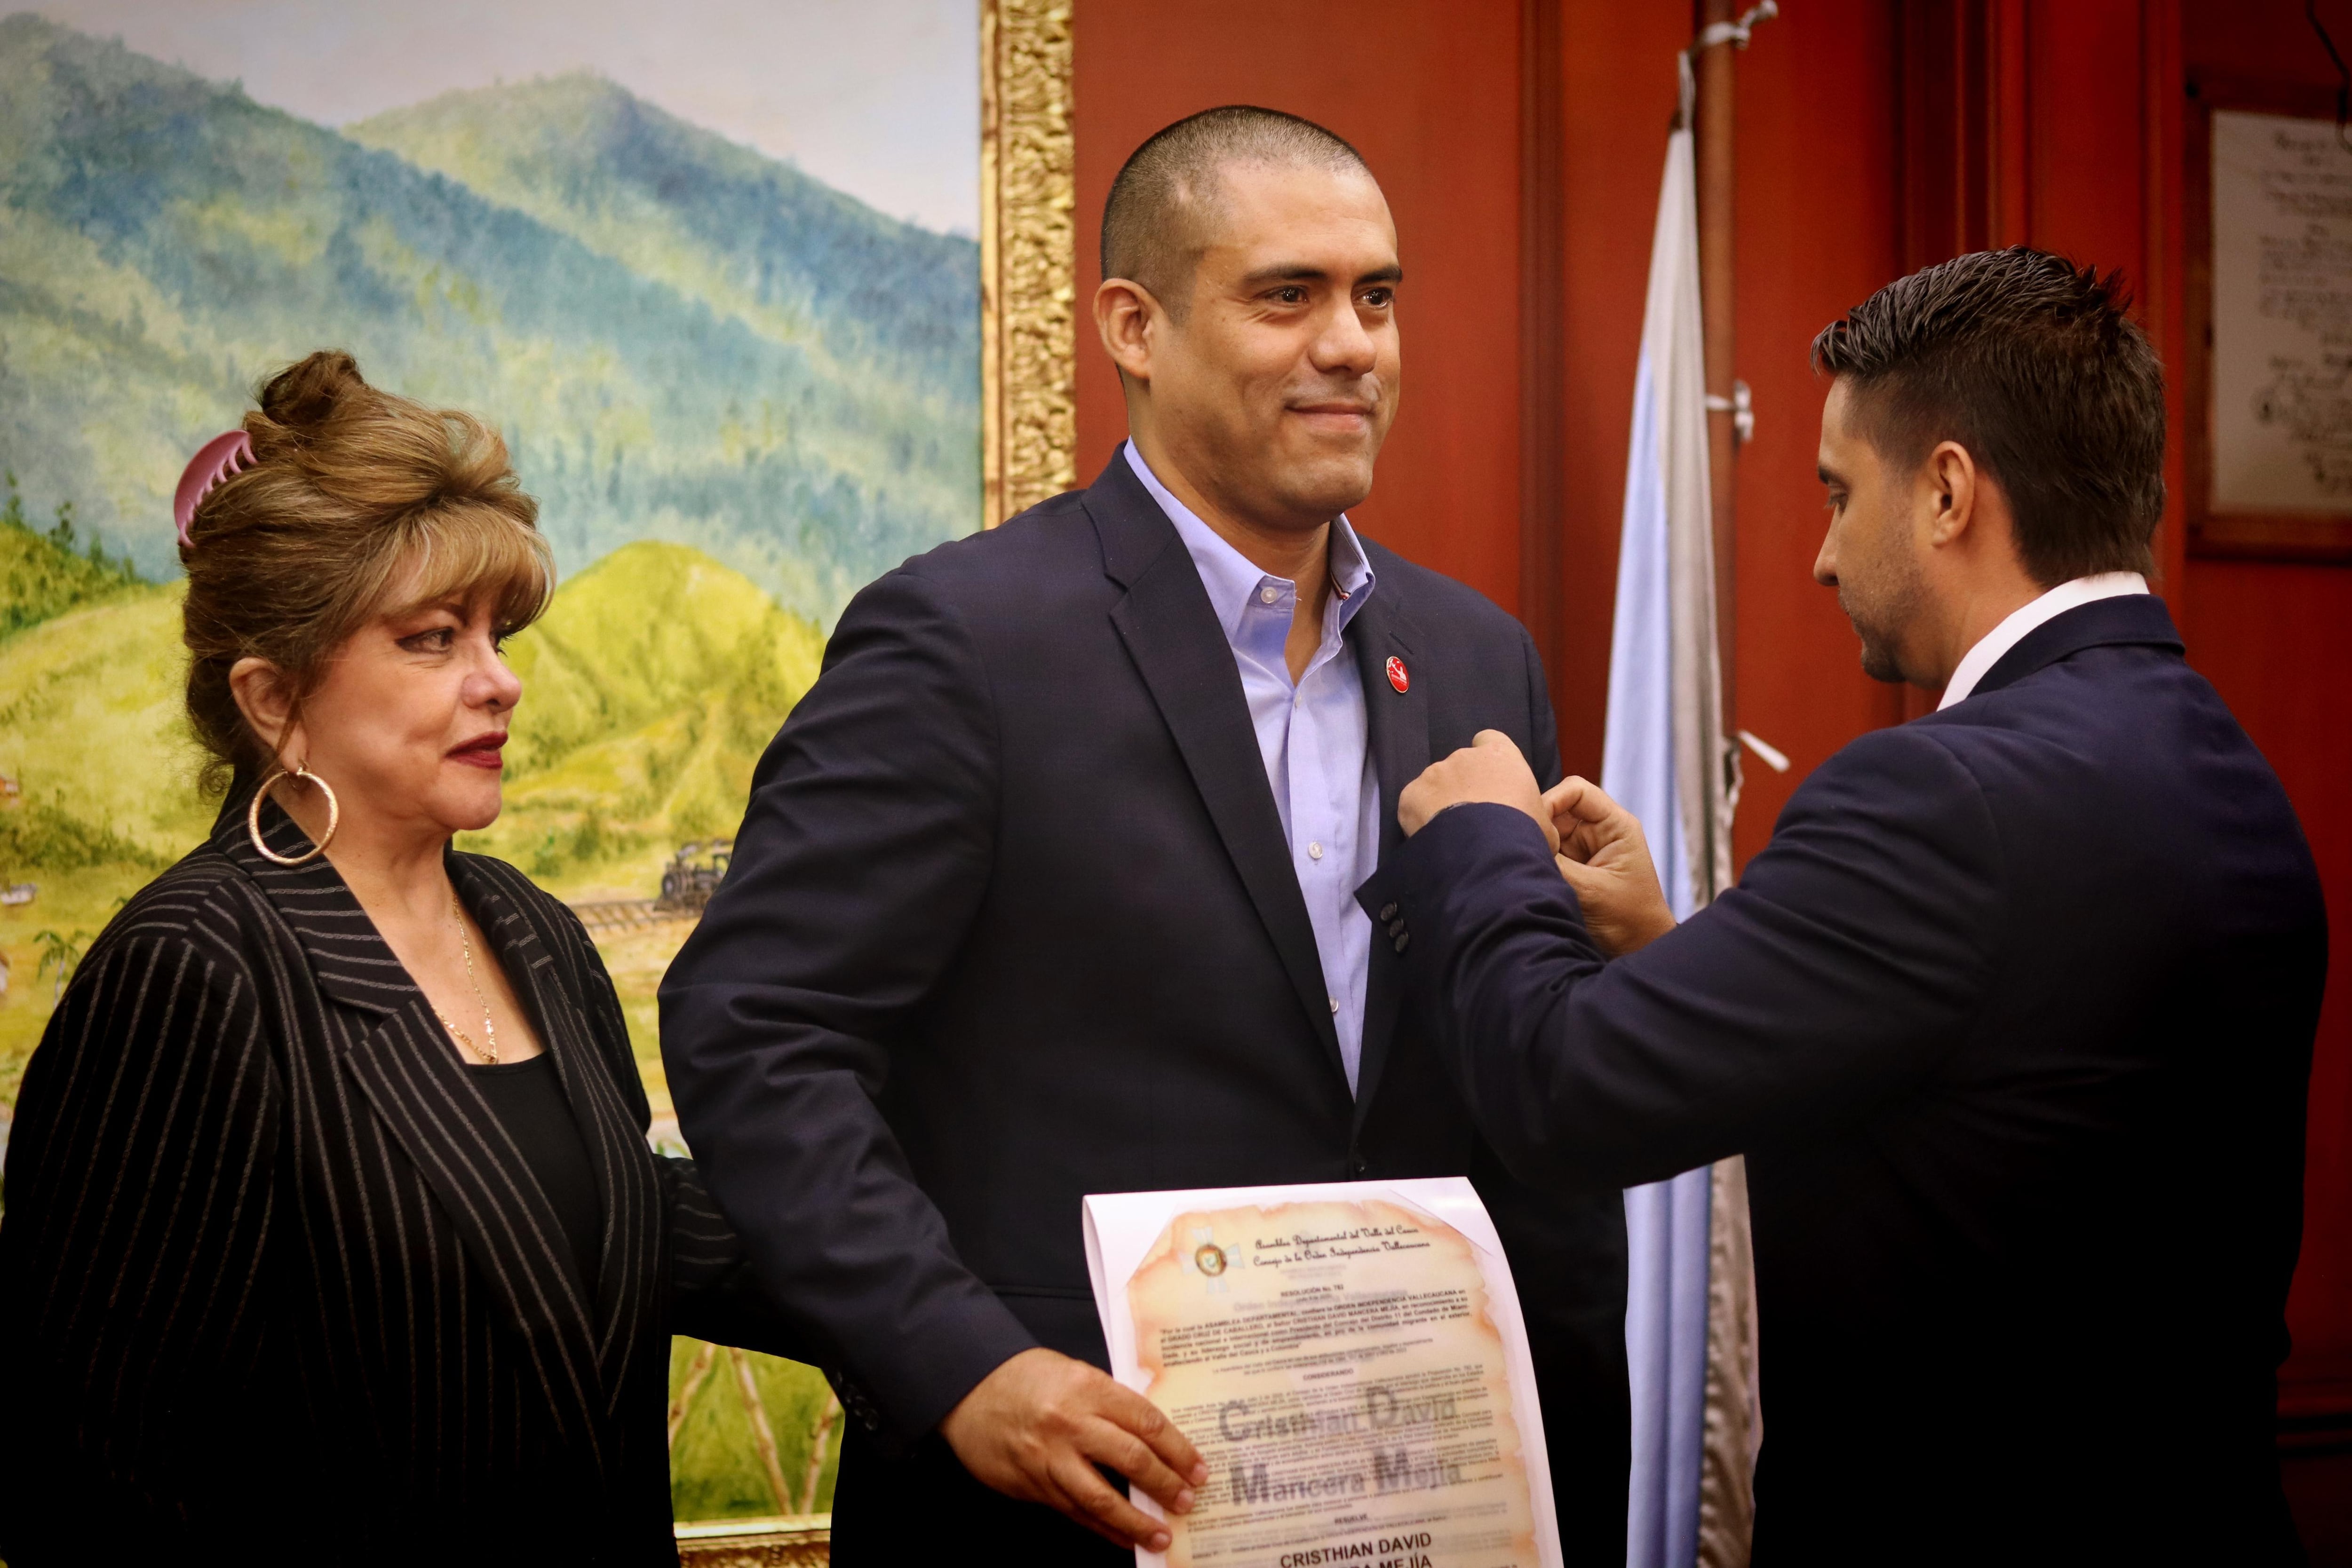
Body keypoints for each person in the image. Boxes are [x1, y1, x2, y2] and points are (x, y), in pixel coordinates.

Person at [661, 107, 1629, 1564]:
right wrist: (964, 1364)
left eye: (1378, 297)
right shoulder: (964, 641)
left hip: (1427, 1499)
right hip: (1062, 1505)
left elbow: (1524, 1090)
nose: (1355, 343)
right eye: (1287, 295)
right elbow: (754, 1029)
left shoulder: (1479, 658)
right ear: (1134, 323)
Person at [1372, 247, 2326, 1564]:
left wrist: (1483, 837)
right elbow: (1976, 1083)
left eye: (1836, 494)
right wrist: (1673, 953)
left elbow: (1562, 1096)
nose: (1820, 558)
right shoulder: (2226, 767)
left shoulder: (1940, 796)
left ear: (1945, 492)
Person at [0, 353, 797, 1566]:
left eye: (497, 632)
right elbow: (104, 1482)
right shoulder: (194, 972)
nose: (502, 682)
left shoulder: (533, 930)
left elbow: (603, 1226)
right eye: (434, 640)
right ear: (273, 698)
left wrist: (988, 1282)